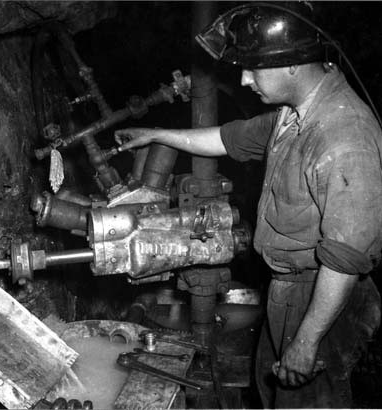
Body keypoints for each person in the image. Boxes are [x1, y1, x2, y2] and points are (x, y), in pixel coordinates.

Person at [115, 3, 382, 408]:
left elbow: (344, 260)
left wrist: (307, 341)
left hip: (322, 300)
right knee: (273, 393)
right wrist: (156, 134)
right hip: (287, 292)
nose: (243, 79)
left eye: (253, 68)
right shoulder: (293, 114)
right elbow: (228, 138)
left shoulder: (343, 136)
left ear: (292, 64)